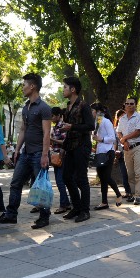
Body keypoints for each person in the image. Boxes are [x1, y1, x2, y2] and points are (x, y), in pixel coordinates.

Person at [0, 73, 52, 229]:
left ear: (32, 86)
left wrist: (45, 155)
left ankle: (44, 217)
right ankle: (11, 215)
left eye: (24, 84)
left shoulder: (44, 108)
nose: (22, 87)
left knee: (41, 186)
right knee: (16, 183)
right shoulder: (26, 107)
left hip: (39, 153)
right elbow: (22, 129)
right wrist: (17, 150)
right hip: (26, 153)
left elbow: (47, 133)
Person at [59, 77, 95, 221]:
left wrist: (72, 127)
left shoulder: (84, 106)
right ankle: (76, 207)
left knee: (81, 179)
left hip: (82, 146)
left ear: (73, 89)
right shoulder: (68, 107)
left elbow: (90, 126)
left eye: (65, 87)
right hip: (70, 146)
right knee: (66, 177)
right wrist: (63, 148)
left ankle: (85, 211)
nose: (63, 90)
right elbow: (68, 130)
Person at [91, 102, 122, 209]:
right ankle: (104, 202)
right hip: (100, 152)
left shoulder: (106, 121)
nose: (91, 113)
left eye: (92, 111)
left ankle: (118, 194)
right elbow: (96, 136)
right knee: (102, 178)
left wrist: (100, 139)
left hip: (108, 152)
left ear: (98, 112)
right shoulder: (97, 122)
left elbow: (112, 138)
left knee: (106, 176)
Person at [117, 97, 140, 205]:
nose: (129, 105)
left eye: (132, 104)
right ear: (124, 105)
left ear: (135, 105)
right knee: (130, 174)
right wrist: (123, 142)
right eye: (127, 103)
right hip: (127, 149)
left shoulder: (139, 117)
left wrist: (125, 138)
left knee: (138, 173)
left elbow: (138, 132)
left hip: (138, 147)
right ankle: (133, 194)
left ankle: (138, 195)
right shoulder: (122, 118)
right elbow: (119, 132)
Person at [50, 106, 71, 214]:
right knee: (60, 181)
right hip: (55, 157)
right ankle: (66, 203)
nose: (51, 118)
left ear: (58, 116)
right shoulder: (54, 127)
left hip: (62, 156)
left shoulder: (62, 126)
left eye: (53, 116)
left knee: (60, 181)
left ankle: (63, 205)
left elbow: (65, 142)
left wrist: (52, 139)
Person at [114, 109, 132, 199]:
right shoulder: (115, 130)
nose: (122, 118)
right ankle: (128, 192)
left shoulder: (129, 127)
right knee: (124, 173)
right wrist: (115, 152)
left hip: (130, 151)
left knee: (131, 173)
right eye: (120, 116)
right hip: (121, 153)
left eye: (123, 116)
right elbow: (115, 142)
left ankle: (133, 191)